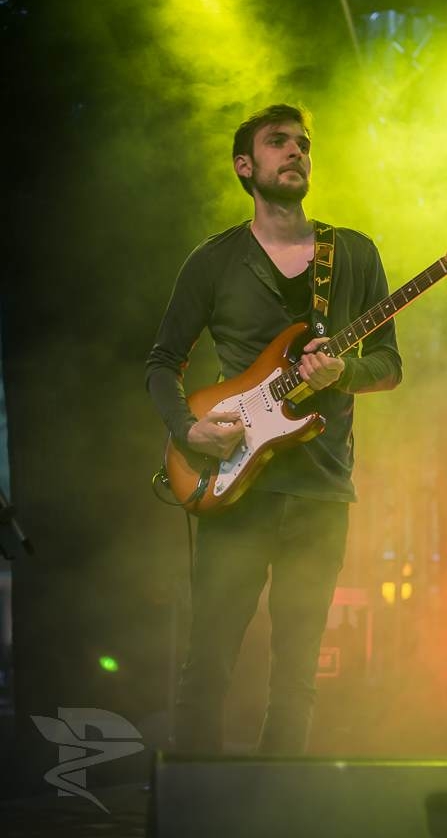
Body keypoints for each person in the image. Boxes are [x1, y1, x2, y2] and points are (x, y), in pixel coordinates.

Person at [145, 103, 402, 755]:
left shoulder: (353, 254)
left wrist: (341, 371)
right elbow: (161, 363)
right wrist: (188, 432)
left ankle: (275, 801)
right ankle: (196, 802)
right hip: (235, 488)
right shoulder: (214, 261)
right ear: (245, 165)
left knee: (297, 673)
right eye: (278, 142)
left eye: (304, 143)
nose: (296, 151)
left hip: (320, 489)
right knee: (209, 663)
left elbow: (389, 367)